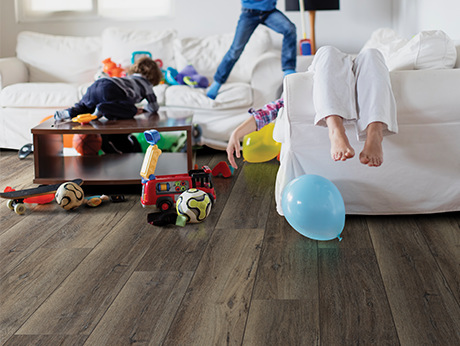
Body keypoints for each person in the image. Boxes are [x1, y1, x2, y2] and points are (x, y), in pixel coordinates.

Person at [226, 46, 398, 169]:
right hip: (328, 70)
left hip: (365, 69)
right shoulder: (314, 77)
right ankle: (335, 130)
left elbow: (271, 109)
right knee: (327, 51)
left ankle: (375, 134)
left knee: (373, 54)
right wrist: (236, 132)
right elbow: (271, 109)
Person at [206, 0, 297, 100]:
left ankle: (289, 69)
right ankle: (217, 83)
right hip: (249, 13)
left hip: (269, 11)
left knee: (289, 29)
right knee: (235, 50)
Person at [54, 57, 162, 121]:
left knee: (85, 107)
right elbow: (154, 106)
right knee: (131, 109)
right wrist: (144, 109)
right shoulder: (147, 84)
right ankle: (103, 108)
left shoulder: (129, 79)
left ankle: (66, 113)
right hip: (111, 89)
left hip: (97, 85)